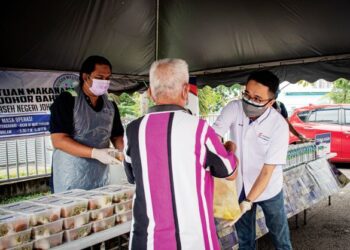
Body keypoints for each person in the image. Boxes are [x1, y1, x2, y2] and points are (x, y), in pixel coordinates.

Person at [123, 58, 238, 250]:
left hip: (146, 241)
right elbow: (230, 172)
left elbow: (132, 177)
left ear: (150, 93)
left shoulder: (132, 131)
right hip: (194, 240)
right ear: (186, 91)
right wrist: (230, 150)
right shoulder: (200, 129)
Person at [213, 70, 292, 250]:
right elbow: (214, 135)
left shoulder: (278, 125)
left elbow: (267, 171)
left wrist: (248, 202)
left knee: (279, 236)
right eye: (247, 94)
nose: (250, 101)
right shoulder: (234, 108)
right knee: (245, 239)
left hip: (268, 187)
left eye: (257, 98)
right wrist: (221, 149)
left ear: (270, 102)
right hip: (240, 185)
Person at [49, 55, 124, 193]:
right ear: (85, 77)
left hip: (100, 174)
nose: (104, 82)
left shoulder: (110, 103)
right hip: (70, 174)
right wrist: (95, 153)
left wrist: (122, 151)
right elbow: (58, 140)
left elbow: (117, 135)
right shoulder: (67, 99)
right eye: (100, 77)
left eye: (107, 78)